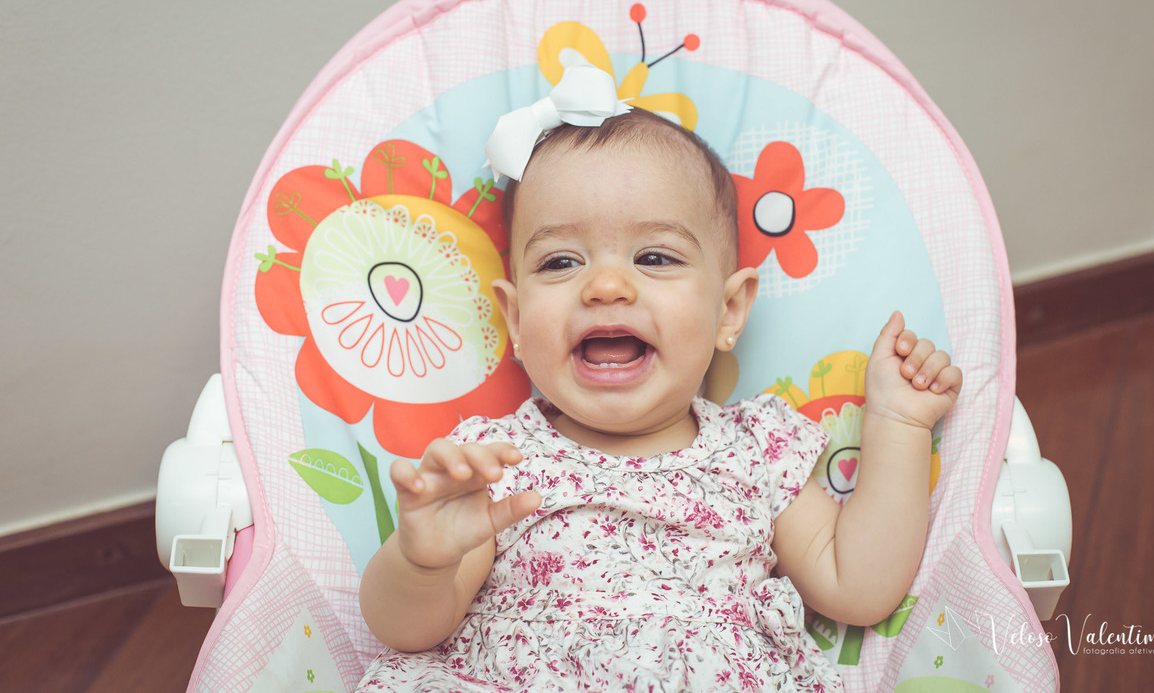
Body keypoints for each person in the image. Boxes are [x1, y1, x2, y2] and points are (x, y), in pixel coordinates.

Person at [357, 68, 962, 692]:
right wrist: (421, 562)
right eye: (561, 261)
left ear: (728, 312)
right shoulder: (496, 463)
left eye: (654, 257)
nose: (607, 286)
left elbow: (858, 588)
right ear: (514, 316)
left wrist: (899, 424)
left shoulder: (753, 451)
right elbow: (406, 631)